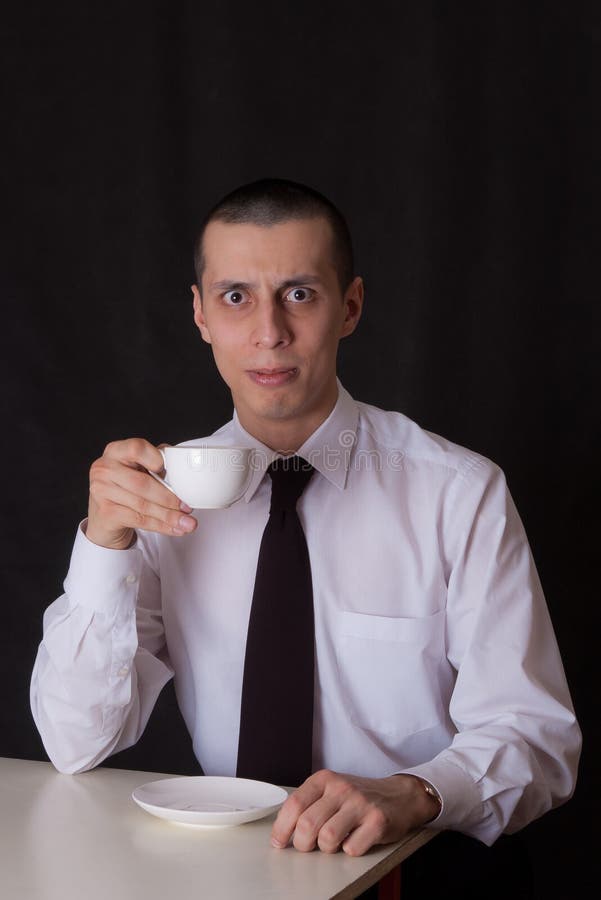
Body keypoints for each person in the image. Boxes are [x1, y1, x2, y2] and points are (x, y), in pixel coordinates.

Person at [31, 178, 580, 894]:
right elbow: (74, 742)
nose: (269, 333)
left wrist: (415, 792)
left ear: (349, 306)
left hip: (422, 870)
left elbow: (537, 740)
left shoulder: (458, 492)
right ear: (199, 315)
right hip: (226, 874)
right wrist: (105, 544)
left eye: (299, 294)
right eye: (235, 297)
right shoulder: (160, 501)